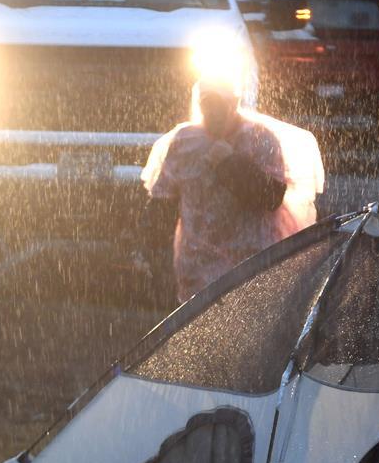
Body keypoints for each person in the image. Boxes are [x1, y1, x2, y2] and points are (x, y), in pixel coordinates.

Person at [137, 77, 325, 304]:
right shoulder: (186, 141)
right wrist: (149, 246)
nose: (213, 112)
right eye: (207, 104)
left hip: (250, 260)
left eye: (219, 105)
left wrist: (229, 164)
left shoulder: (259, 138)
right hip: (198, 262)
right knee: (202, 321)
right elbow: (163, 201)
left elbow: (272, 197)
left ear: (234, 103)